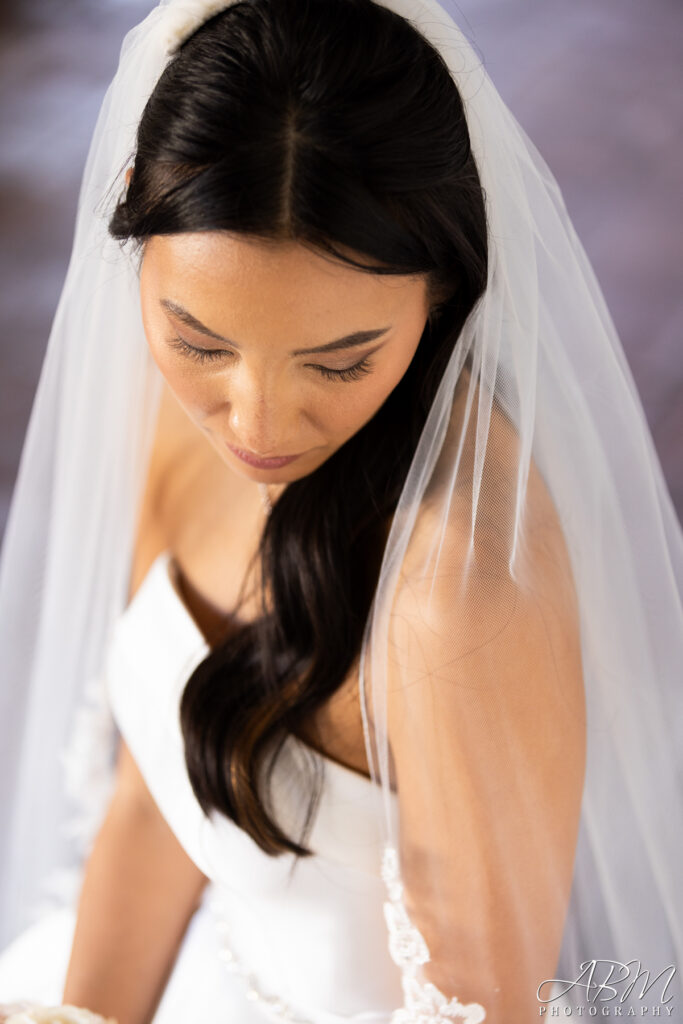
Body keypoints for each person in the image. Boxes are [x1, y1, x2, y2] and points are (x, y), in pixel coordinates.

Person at [0, 0, 681, 1021]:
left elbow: (483, 1008)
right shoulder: (168, 416)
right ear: (135, 218)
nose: (255, 421)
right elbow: (157, 785)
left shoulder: (458, 592)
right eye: (198, 340)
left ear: (442, 288)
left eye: (339, 360)